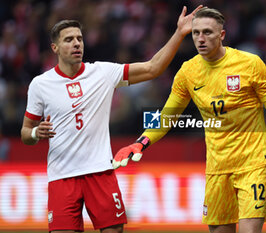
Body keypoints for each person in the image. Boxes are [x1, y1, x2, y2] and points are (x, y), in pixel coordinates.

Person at [113, 7, 266, 233]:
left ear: (222, 35)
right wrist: (140, 141)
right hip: (217, 166)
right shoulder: (188, 71)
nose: (200, 39)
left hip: (254, 162)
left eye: (208, 33)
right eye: (196, 33)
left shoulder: (250, 64)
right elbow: (168, 114)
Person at [20, 5, 202, 233]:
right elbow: (26, 133)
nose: (76, 43)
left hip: (100, 172)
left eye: (79, 38)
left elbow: (152, 69)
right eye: (68, 40)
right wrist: (36, 133)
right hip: (62, 177)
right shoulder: (40, 85)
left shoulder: (102, 73)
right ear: (55, 47)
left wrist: (179, 33)